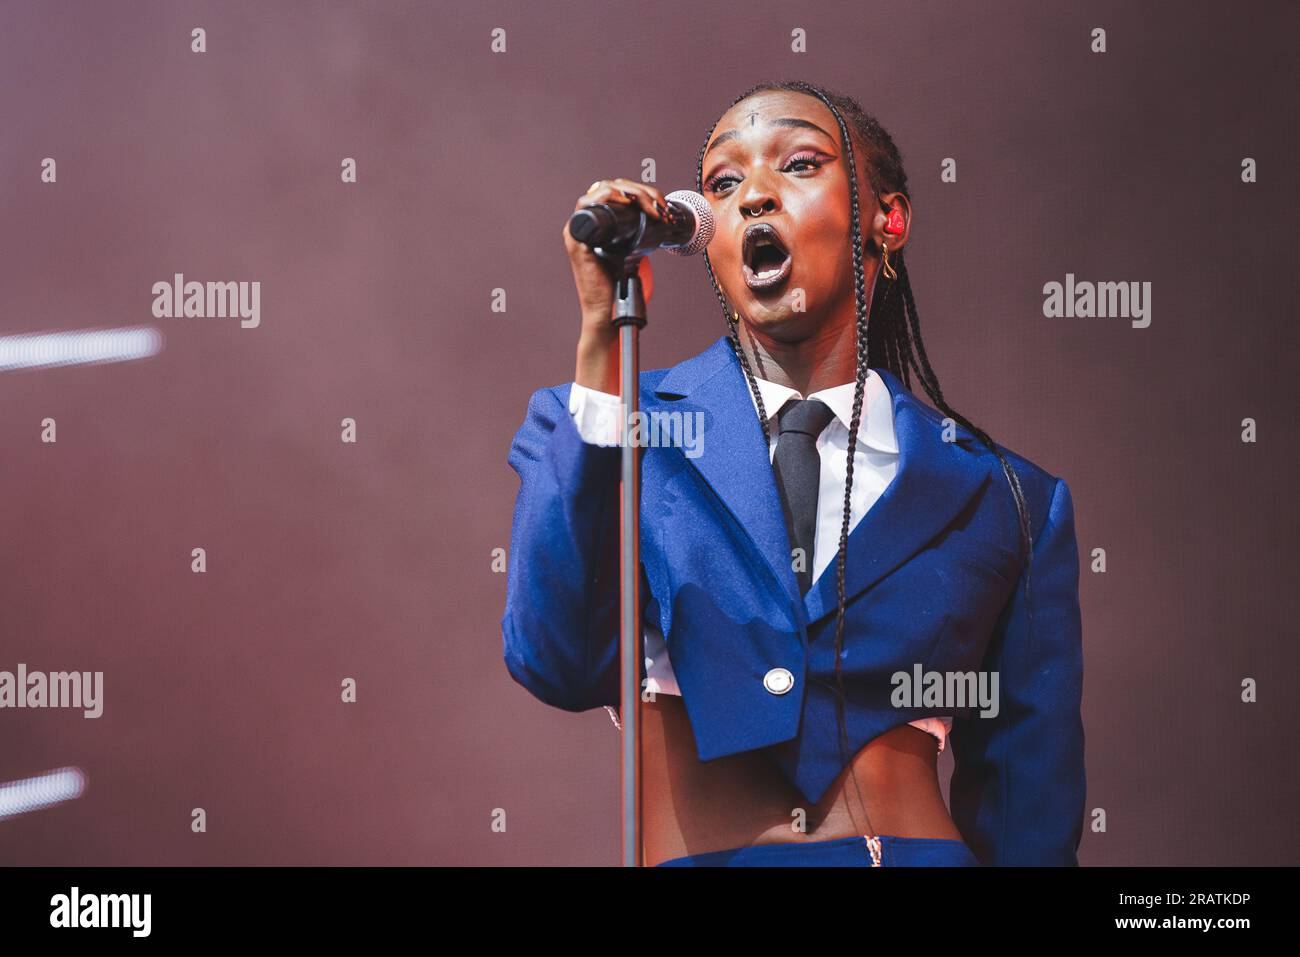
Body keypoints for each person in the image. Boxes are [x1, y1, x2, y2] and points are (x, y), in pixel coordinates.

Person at [502, 79, 1085, 867]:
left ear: (889, 219)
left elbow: (1030, 816)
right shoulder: (613, 426)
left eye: (800, 162)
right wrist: (603, 343)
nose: (752, 197)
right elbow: (555, 658)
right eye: (723, 182)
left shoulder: (1006, 496)